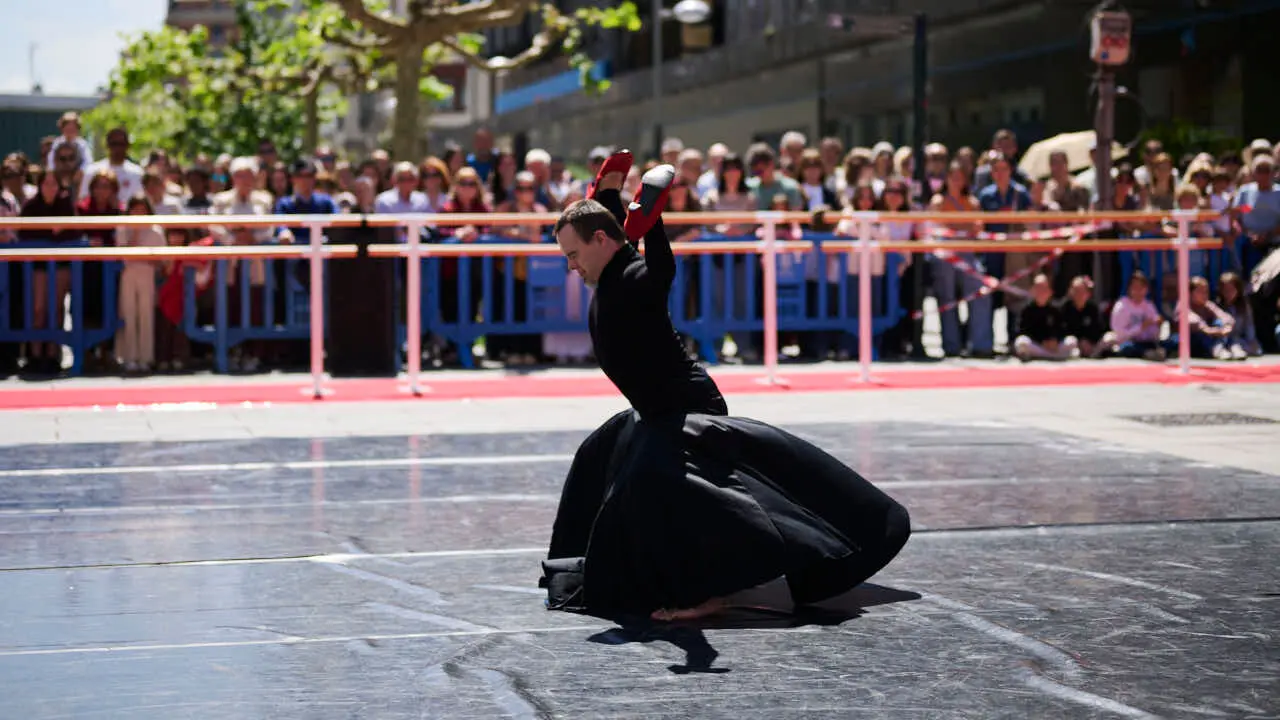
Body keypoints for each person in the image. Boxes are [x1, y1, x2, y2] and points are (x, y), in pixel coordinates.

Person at [541, 150, 911, 622]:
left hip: (685, 411)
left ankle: (710, 592)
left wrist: (652, 222)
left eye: (573, 255)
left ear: (597, 241)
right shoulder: (614, 267)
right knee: (605, 463)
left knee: (679, 496)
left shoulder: (631, 276)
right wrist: (610, 199)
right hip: (656, 412)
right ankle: (607, 195)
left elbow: (658, 271)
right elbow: (616, 237)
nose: (571, 266)